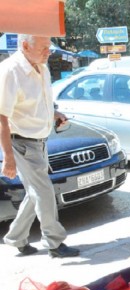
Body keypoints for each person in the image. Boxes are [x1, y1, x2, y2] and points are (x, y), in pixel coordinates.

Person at [0, 35, 79, 258]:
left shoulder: (41, 67)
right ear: (25, 45)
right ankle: (54, 243)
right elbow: (1, 117)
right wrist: (8, 156)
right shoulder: (10, 71)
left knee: (35, 193)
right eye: (44, 48)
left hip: (40, 141)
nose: (49, 52)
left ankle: (16, 237)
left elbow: (34, 104)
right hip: (21, 143)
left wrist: (54, 114)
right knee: (44, 191)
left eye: (49, 48)